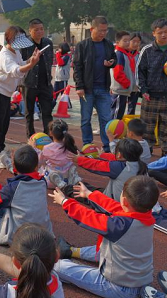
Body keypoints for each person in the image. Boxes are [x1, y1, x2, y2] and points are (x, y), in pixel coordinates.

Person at [52, 176, 158, 298]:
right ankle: (71, 251)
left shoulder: (119, 225)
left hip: (118, 287)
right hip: (140, 281)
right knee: (104, 246)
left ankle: (58, 260)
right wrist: (89, 194)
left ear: (124, 200)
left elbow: (89, 217)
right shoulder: (146, 216)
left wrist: (65, 202)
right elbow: (115, 207)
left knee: (58, 267)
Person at [0, 27, 41, 154]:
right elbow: (15, 70)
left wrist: (30, 60)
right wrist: (31, 64)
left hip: (6, 93)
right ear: (10, 40)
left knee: (4, 123)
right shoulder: (5, 55)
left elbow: (21, 64)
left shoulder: (15, 51)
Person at [137, 18, 167, 155]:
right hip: (150, 94)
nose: (163, 35)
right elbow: (139, 71)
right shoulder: (147, 50)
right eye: (160, 32)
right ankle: (147, 150)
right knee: (147, 126)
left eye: (166, 32)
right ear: (154, 33)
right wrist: (143, 89)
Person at [73, 16, 116, 149]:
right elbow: (77, 67)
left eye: (105, 30)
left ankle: (107, 146)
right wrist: (79, 86)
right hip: (87, 89)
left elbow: (114, 59)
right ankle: (87, 144)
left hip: (103, 88)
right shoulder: (82, 45)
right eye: (100, 30)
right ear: (92, 29)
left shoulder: (108, 44)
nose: (103, 33)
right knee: (86, 119)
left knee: (106, 119)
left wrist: (111, 62)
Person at [76, 138, 148, 202]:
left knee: (74, 190)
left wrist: (78, 159)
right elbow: (114, 159)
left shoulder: (118, 168)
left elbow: (95, 165)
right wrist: (102, 155)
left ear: (119, 154)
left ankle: (65, 190)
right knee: (91, 188)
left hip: (115, 206)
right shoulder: (141, 165)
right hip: (134, 203)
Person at [20, 18, 55, 137]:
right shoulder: (25, 44)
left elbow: (50, 60)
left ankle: (49, 136)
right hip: (29, 83)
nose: (40, 32)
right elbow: (21, 62)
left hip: (45, 83)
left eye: (42, 29)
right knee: (29, 113)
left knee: (47, 112)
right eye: (36, 30)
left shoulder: (48, 43)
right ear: (30, 31)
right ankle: (30, 136)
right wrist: (31, 59)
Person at [39, 119, 81, 189]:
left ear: (50, 133)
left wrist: (35, 148)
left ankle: (56, 178)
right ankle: (73, 177)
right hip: (66, 178)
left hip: (50, 182)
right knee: (71, 167)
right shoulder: (70, 146)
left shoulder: (46, 148)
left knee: (42, 168)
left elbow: (39, 162)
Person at [111, 31, 138, 119]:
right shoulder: (119, 55)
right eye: (125, 41)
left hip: (123, 90)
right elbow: (118, 73)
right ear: (118, 42)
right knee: (116, 114)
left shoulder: (125, 54)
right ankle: (111, 131)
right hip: (119, 90)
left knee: (119, 113)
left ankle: (114, 131)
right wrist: (128, 84)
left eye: (128, 40)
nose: (128, 43)